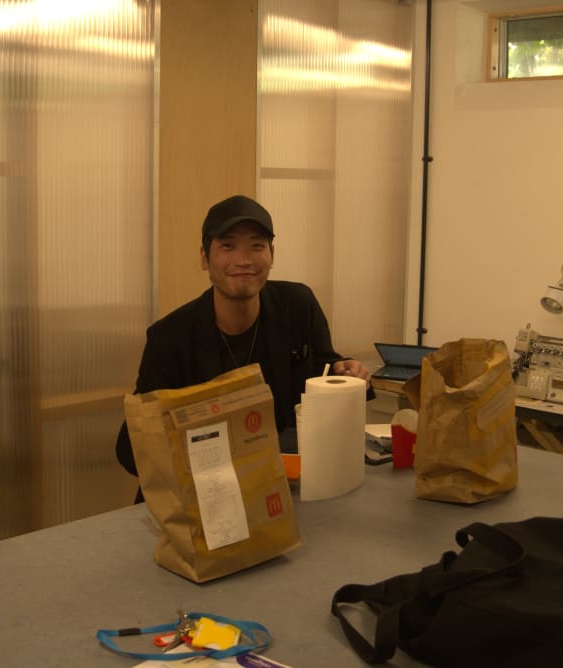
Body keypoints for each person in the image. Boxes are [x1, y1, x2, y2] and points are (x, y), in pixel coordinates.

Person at [115, 194, 371, 501]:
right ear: (204, 258)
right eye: (227, 245)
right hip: (199, 499)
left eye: (256, 245)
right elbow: (132, 446)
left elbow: (327, 373)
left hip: (279, 492)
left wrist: (349, 371)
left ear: (271, 254)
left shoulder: (297, 306)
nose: (244, 259)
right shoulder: (170, 337)